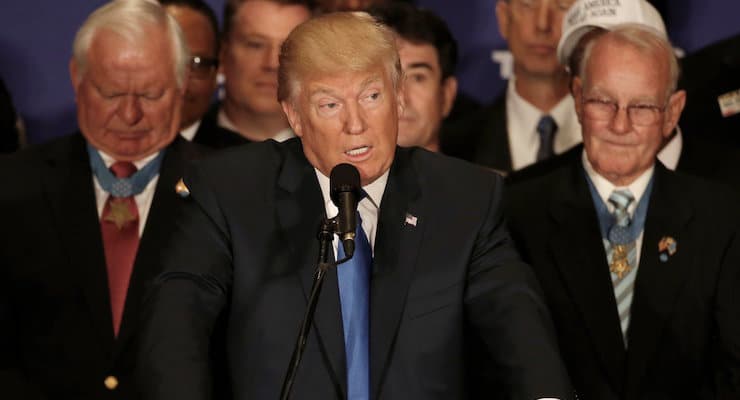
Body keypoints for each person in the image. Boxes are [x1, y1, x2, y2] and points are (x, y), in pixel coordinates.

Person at [138, 11, 573, 400]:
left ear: (399, 97)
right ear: (293, 114)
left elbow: (521, 336)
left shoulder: (464, 198)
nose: (356, 124)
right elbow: (175, 334)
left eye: (371, 96)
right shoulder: (231, 192)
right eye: (329, 104)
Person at [504, 19, 740, 399]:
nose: (620, 124)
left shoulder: (723, 217)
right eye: (603, 101)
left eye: (642, 106)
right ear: (578, 97)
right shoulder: (515, 210)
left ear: (672, 112)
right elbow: (498, 360)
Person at [0, 1, 208, 398]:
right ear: (77, 78)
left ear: (183, 84)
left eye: (150, 93)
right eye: (110, 92)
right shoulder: (10, 188)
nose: (129, 115)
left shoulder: (226, 192)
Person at [447, 0, 581, 173]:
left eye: (562, 6)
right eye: (528, 5)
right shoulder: (454, 150)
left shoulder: (615, 139)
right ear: (503, 17)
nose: (542, 24)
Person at [201, 0, 312, 142]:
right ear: (222, 54)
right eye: (256, 45)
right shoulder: (181, 147)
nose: (272, 64)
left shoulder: (334, 153)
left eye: (290, 49)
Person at [368, 2, 458, 153]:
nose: (401, 98)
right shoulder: (327, 176)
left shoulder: (484, 177)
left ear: (447, 95)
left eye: (417, 78)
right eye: (385, 77)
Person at [159, 0, 248, 149]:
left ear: (220, 64)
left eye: (196, 63)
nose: (181, 81)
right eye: (164, 61)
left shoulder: (247, 161)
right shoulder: (109, 152)